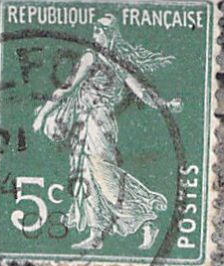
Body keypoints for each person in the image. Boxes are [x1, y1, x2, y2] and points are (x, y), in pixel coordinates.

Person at [31, 12, 183, 251]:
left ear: (111, 34)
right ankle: (96, 234)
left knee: (104, 175)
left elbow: (141, 91)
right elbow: (68, 88)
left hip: (98, 123)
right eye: (95, 29)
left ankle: (145, 220)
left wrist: (164, 105)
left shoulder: (109, 61)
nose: (97, 33)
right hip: (87, 122)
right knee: (87, 175)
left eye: (101, 29)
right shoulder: (92, 58)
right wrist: (43, 114)